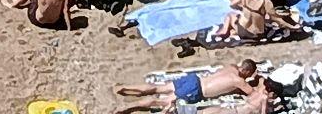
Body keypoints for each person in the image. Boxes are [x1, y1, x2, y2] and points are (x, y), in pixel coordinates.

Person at [114, 62, 270, 113]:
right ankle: (131, 107)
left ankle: (124, 87)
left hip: (193, 79)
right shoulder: (238, 81)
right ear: (247, 72)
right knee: (161, 102)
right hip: (196, 91)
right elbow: (253, 94)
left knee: (157, 88)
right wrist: (261, 82)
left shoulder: (230, 67)